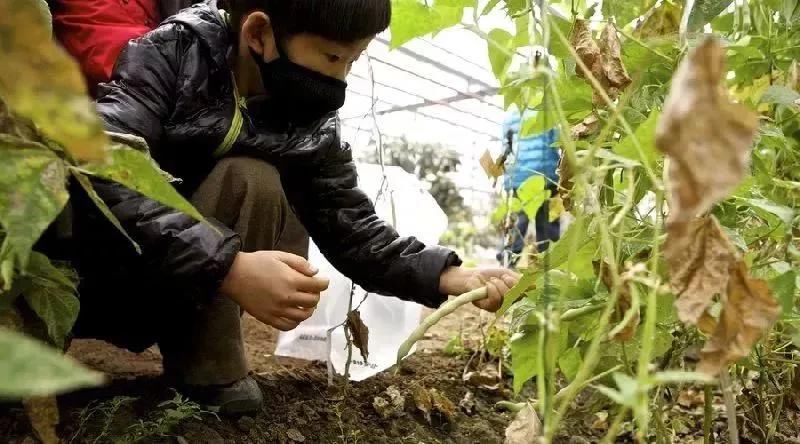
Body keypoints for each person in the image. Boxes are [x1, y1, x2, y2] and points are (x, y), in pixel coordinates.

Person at [68, 0, 521, 415]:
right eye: (330, 57)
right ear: (260, 33)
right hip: (100, 273)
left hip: (181, 282)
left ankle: (206, 362)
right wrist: (230, 267)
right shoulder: (170, 54)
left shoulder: (306, 113)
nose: (339, 77)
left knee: (255, 178)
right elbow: (104, 167)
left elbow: (348, 222)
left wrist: (445, 275)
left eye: (351, 61)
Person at [497, 109, 561, 265]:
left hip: (517, 178)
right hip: (546, 176)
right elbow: (559, 141)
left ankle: (508, 262)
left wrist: (506, 181)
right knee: (547, 224)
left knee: (518, 223)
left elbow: (506, 150)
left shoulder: (510, 117)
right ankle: (548, 266)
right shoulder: (548, 111)